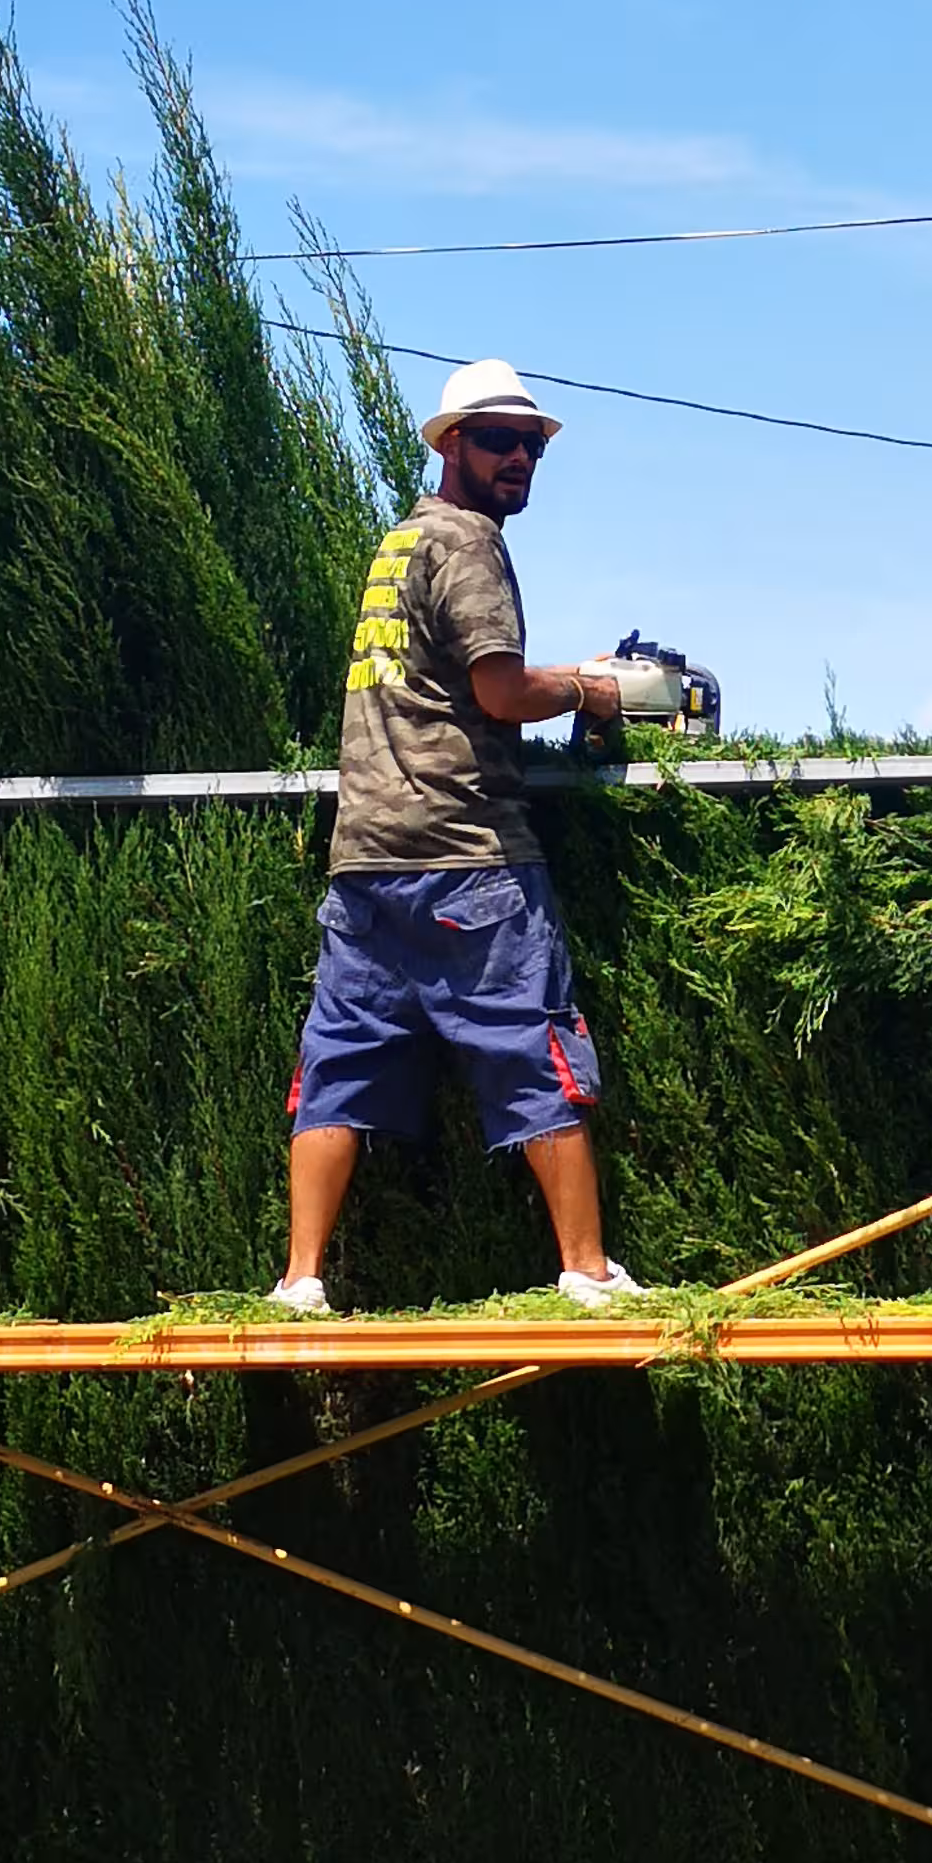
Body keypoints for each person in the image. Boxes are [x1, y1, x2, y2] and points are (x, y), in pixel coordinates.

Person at [271, 361, 637, 1313]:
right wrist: (591, 690)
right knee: (533, 1049)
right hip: (468, 856)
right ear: (452, 446)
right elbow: (499, 691)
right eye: (500, 441)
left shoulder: (397, 543)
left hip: (366, 862)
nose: (521, 459)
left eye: (534, 446)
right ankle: (589, 1273)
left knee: (338, 1061)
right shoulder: (470, 544)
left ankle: (300, 1280)